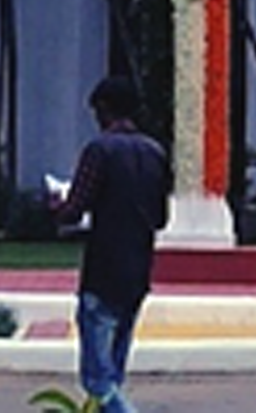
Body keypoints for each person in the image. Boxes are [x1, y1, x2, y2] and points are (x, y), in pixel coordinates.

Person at [60, 74, 170, 413]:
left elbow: (74, 209)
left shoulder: (100, 150)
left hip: (103, 270)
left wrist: (54, 205)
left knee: (97, 379)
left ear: (104, 109)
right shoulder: (155, 153)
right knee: (114, 373)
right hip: (137, 271)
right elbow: (161, 218)